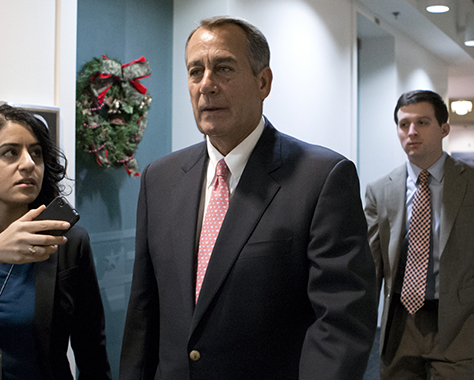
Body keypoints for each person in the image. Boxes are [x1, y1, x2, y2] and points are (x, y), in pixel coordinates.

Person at [119, 16, 377, 380]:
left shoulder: (321, 178)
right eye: (195, 71)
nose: (206, 85)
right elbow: (144, 312)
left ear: (263, 81)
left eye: (223, 68)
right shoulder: (159, 178)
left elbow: (341, 323)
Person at [364, 90, 474, 379]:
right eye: (404, 125)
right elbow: (371, 266)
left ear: (444, 129)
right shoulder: (380, 190)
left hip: (462, 323)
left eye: (422, 123)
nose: (411, 132)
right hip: (401, 325)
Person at [0, 104, 111, 379]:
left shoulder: (69, 243)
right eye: (10, 153)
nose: (28, 164)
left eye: (36, 153)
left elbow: (92, 353)